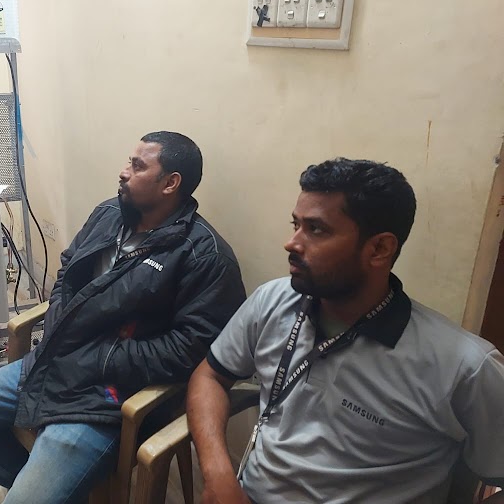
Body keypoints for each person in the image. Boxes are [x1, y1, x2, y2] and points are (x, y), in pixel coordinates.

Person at [0, 131, 246, 503]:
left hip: (110, 396)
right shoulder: (110, 213)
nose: (124, 172)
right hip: (57, 360)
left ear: (170, 183)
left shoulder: (204, 255)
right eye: (129, 161)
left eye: (138, 166)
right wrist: (58, 318)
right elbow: (68, 269)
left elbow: (189, 350)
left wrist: (102, 358)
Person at [188, 157, 504, 504]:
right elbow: (210, 376)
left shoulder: (464, 366)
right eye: (296, 224)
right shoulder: (273, 300)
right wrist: (218, 475)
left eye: (316, 229)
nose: (292, 243)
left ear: (379, 249)